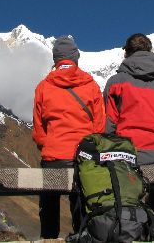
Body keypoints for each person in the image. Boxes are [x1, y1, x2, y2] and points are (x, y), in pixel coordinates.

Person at [103, 33, 154, 224]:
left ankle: (130, 230)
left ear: (126, 53)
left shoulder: (116, 83)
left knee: (125, 197)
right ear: (150, 51)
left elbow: (108, 126)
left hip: (130, 158)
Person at [32, 36, 105, 239]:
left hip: (54, 157)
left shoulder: (43, 87)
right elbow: (99, 127)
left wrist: (49, 146)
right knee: (82, 201)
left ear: (56, 60)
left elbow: (39, 130)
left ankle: (49, 237)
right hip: (84, 159)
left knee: (49, 201)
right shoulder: (91, 85)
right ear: (76, 57)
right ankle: (81, 236)